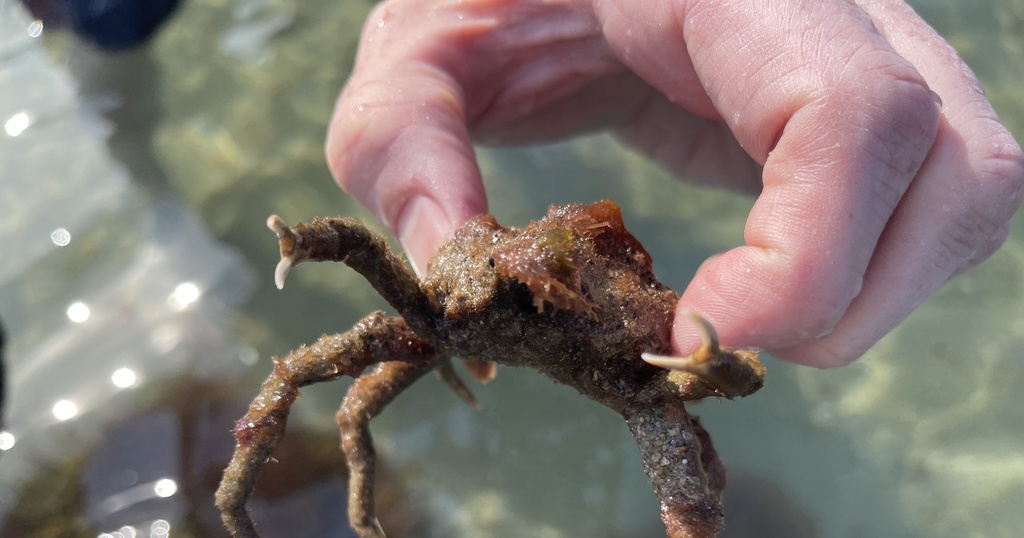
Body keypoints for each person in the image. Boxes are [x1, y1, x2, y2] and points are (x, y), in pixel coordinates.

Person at [326, 0, 1023, 368]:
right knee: (338, 369)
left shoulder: (641, 356)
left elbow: (725, 378)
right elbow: (349, 248)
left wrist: (718, 366)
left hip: (627, 352)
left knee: (693, 518)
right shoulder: (456, 298)